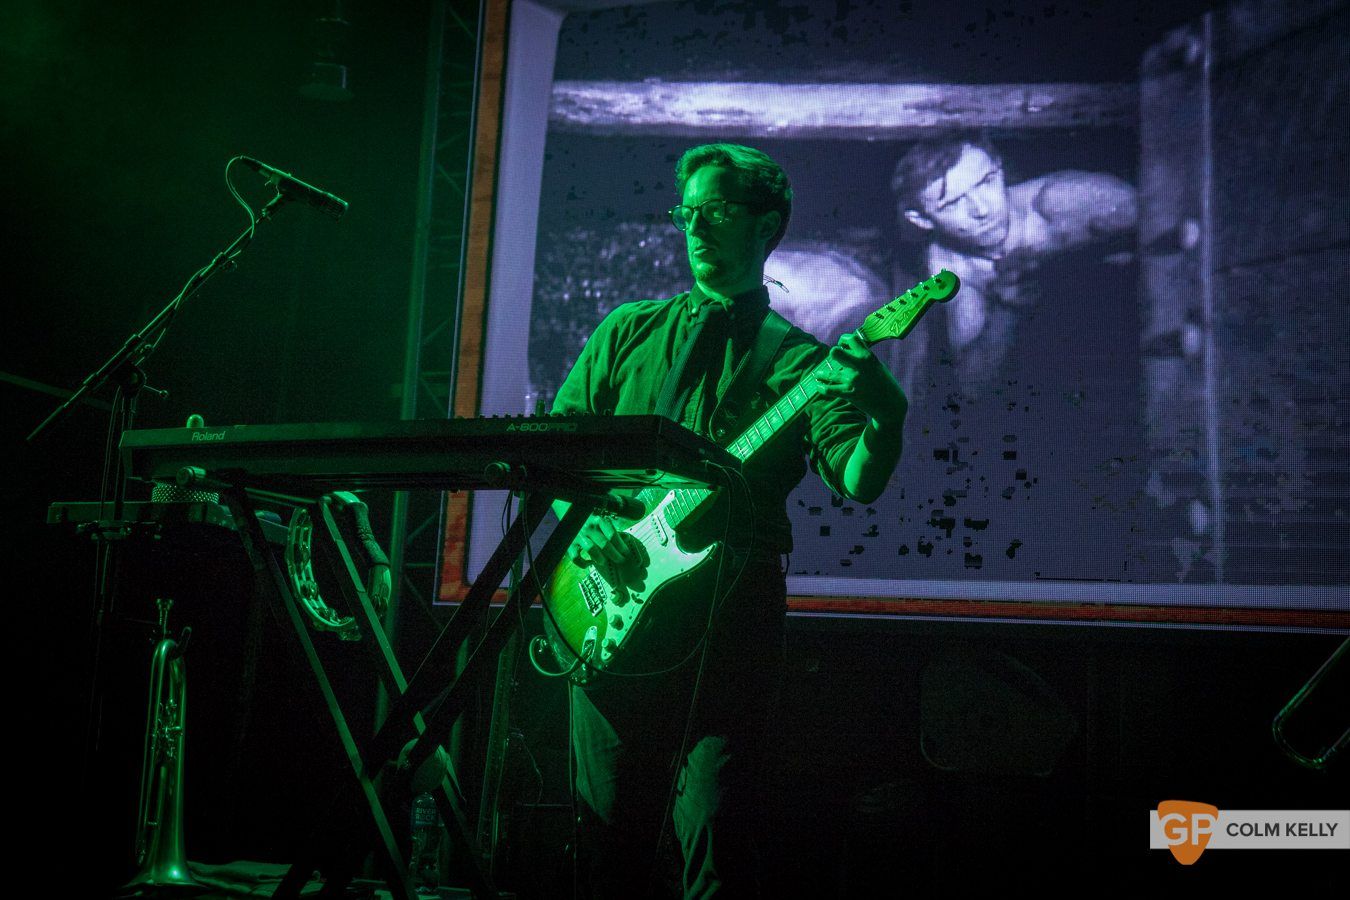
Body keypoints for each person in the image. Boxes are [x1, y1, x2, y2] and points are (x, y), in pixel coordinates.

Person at [549, 143, 908, 898]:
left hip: (727, 621)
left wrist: (885, 413)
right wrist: (593, 531)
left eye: (718, 211)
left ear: (767, 225)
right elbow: (560, 459)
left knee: (719, 838)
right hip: (612, 606)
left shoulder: (801, 364)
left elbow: (859, 477)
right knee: (606, 839)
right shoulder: (627, 332)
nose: (697, 226)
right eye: (690, 212)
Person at [891, 136, 1137, 395]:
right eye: (952, 203)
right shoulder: (950, 265)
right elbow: (973, 384)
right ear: (920, 219)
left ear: (999, 167)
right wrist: (1006, 310)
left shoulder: (1062, 200)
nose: (981, 209)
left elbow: (1167, 226)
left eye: (985, 182)